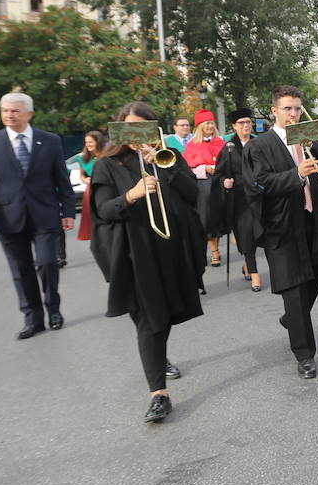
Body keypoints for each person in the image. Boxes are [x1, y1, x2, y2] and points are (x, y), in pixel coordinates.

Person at [89, 102, 205, 423]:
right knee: (149, 318)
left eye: (145, 128)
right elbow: (103, 210)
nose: (138, 136)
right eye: (131, 128)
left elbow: (192, 194)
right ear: (120, 129)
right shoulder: (107, 164)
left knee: (162, 314)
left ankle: (159, 358)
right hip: (133, 252)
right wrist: (132, 194)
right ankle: (159, 393)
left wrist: (164, 166)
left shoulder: (167, 155)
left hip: (170, 247)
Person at [245, 86, 318, 380]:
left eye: (298, 108)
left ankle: (292, 319)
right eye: (288, 108)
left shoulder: (311, 141)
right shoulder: (259, 146)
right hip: (283, 225)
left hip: (316, 220)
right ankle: (305, 354)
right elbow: (257, 184)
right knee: (295, 287)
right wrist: (295, 174)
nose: (294, 114)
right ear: (274, 110)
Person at [0, 93, 76, 338]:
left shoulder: (49, 141)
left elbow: (61, 179)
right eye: (4, 110)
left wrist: (67, 210)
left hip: (45, 215)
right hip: (8, 217)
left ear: (29, 114)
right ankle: (33, 318)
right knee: (21, 270)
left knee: (48, 263)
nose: (8, 115)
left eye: (14, 111)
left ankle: (54, 309)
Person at [212, 109, 262, 291]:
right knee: (247, 235)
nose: (246, 125)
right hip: (240, 200)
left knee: (259, 234)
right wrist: (224, 182)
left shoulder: (259, 143)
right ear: (234, 126)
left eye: (248, 122)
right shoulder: (228, 148)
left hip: (260, 196)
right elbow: (218, 175)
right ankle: (254, 273)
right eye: (241, 123)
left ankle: (247, 265)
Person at [182, 109, 226, 267]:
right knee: (206, 218)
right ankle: (214, 251)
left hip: (220, 183)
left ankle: (218, 246)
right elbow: (187, 169)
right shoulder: (192, 145)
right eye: (207, 123)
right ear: (200, 126)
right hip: (203, 185)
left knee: (218, 218)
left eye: (211, 123)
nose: (210, 126)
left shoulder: (221, 142)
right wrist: (205, 168)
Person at [71, 130, 107, 242]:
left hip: (106, 187)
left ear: (98, 142)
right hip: (90, 189)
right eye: (86, 142)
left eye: (90, 142)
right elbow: (81, 175)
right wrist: (86, 180)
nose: (88, 145)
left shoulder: (107, 155)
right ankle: (97, 236)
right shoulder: (83, 158)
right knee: (91, 216)